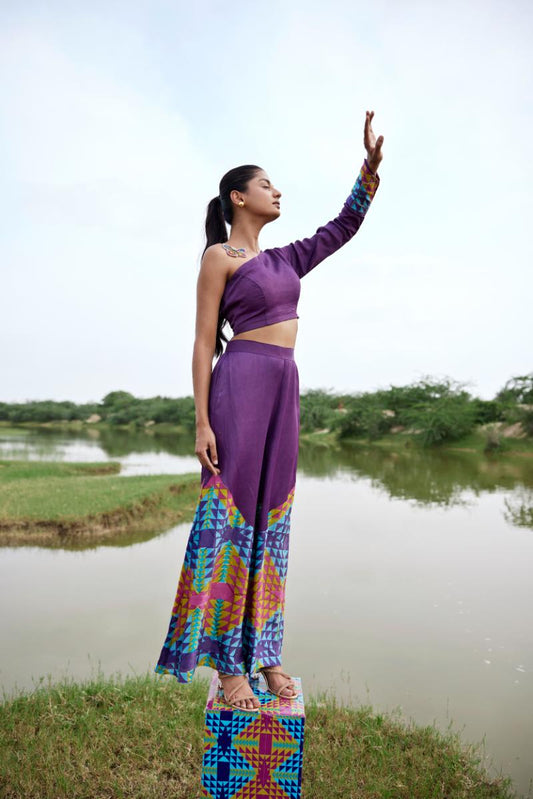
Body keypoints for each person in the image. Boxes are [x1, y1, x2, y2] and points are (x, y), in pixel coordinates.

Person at [155, 110, 384, 712]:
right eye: (266, 184)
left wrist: (368, 171)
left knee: (272, 521)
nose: (277, 192)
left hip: (285, 387)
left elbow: (343, 227)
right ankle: (228, 665)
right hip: (240, 386)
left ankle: (266, 653)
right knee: (231, 519)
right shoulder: (219, 256)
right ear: (238, 196)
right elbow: (203, 342)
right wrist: (202, 422)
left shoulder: (286, 260)